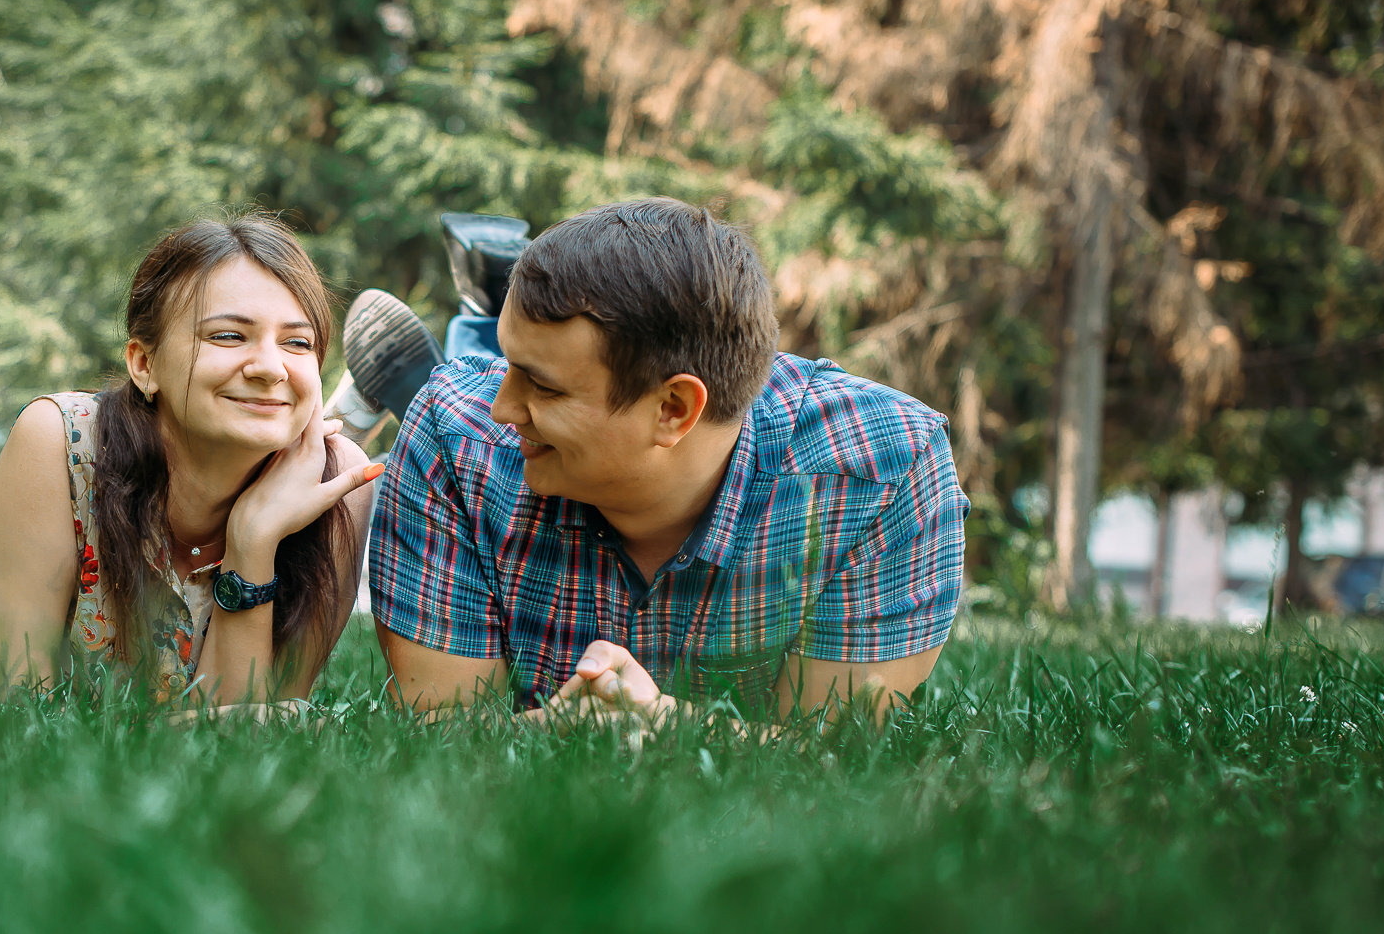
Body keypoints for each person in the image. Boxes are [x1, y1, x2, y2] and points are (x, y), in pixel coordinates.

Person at [366, 196, 969, 728]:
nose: (503, 409)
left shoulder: (881, 473)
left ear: (675, 409)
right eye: (508, 369)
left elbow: (833, 762)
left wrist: (664, 728)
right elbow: (442, 735)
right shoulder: (454, 436)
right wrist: (551, 732)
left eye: (542, 388)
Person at [0, 215, 382, 707]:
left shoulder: (340, 484)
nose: (271, 368)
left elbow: (252, 734)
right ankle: (350, 408)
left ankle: (342, 415)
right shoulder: (59, 441)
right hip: (55, 577)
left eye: (297, 343)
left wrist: (253, 540)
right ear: (144, 365)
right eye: (229, 336)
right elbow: (12, 715)